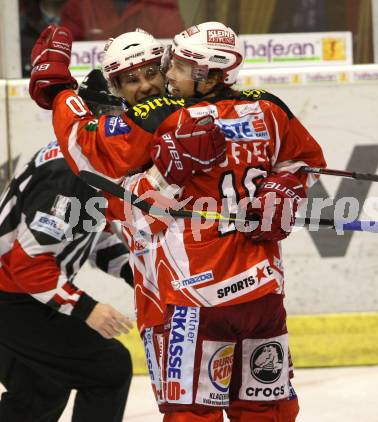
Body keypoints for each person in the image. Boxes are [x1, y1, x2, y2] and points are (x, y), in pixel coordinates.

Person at [28, 22, 326, 421]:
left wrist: (60, 93)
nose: (160, 79)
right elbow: (303, 162)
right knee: (265, 408)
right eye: (132, 79)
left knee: (203, 413)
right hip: (256, 286)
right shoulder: (267, 107)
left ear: (207, 73)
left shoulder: (161, 118)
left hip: (189, 301)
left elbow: (98, 166)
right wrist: (285, 186)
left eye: (164, 68)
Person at [0, 69, 134, 422]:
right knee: (110, 368)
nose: (128, 130)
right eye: (120, 120)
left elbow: (92, 233)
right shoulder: (67, 172)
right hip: (12, 298)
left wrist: (136, 274)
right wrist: (87, 308)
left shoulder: (85, 161)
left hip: (16, 296)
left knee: (38, 393)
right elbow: (28, 267)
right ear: (97, 119)